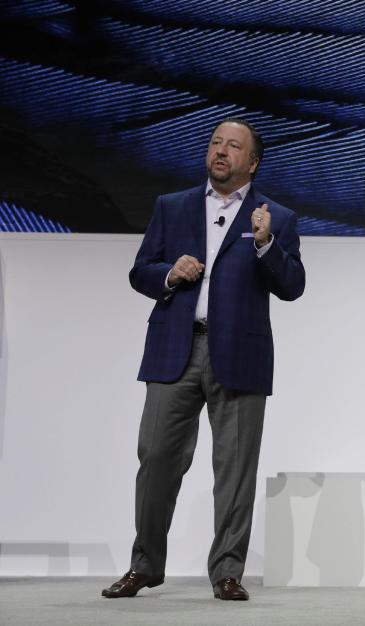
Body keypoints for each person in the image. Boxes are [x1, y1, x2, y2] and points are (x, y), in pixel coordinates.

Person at [102, 118, 306, 601]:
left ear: (252, 162)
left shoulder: (275, 216)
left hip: (240, 354)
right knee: (155, 458)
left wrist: (265, 244)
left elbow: (293, 286)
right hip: (176, 347)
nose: (221, 151)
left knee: (234, 468)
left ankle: (227, 572)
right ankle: (145, 565)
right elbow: (140, 270)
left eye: (233, 146)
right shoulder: (172, 207)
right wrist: (169, 274)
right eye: (215, 142)